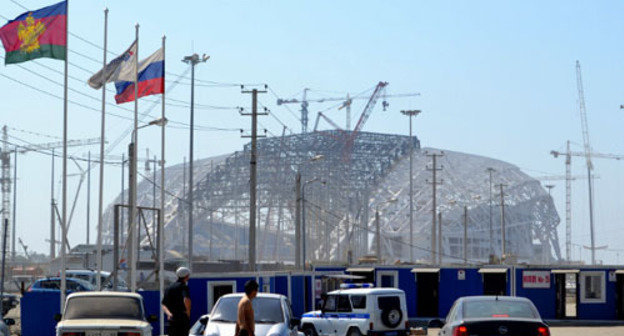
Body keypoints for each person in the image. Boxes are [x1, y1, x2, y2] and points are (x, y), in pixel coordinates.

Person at [162, 267, 192, 336]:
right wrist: (188, 312)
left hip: (172, 320)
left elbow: (164, 304)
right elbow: (186, 299)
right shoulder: (183, 286)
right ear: (186, 276)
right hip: (182, 319)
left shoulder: (169, 287)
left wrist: (169, 314)